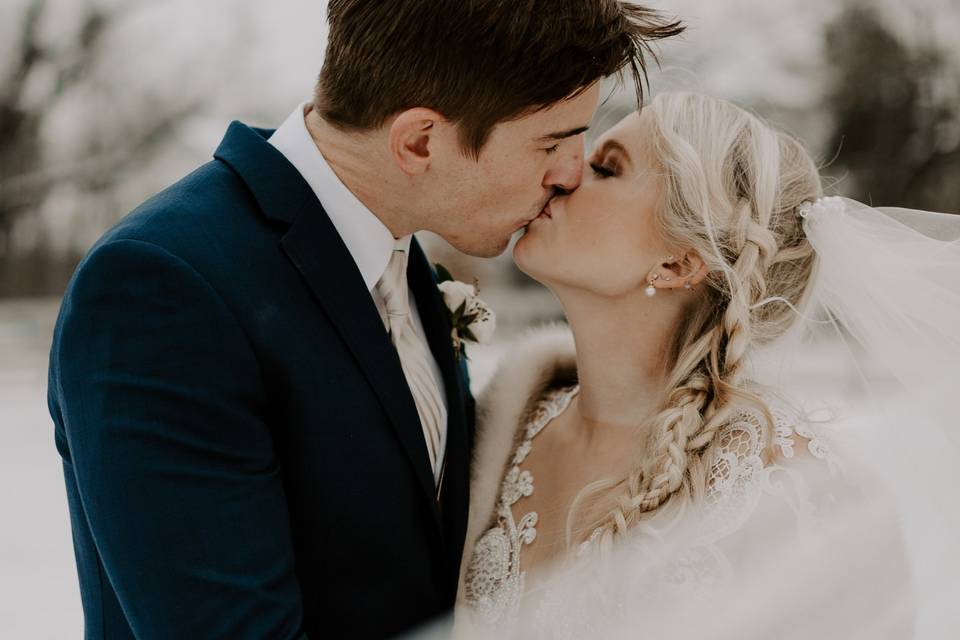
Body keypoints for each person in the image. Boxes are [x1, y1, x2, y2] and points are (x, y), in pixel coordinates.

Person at [46, 2, 682, 638]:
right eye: (551, 141)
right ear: (420, 141)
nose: (570, 173)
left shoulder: (401, 258)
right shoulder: (165, 286)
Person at [457, 91, 960, 638]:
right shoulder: (503, 422)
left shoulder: (793, 490)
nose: (563, 173)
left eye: (605, 168)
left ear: (678, 262)